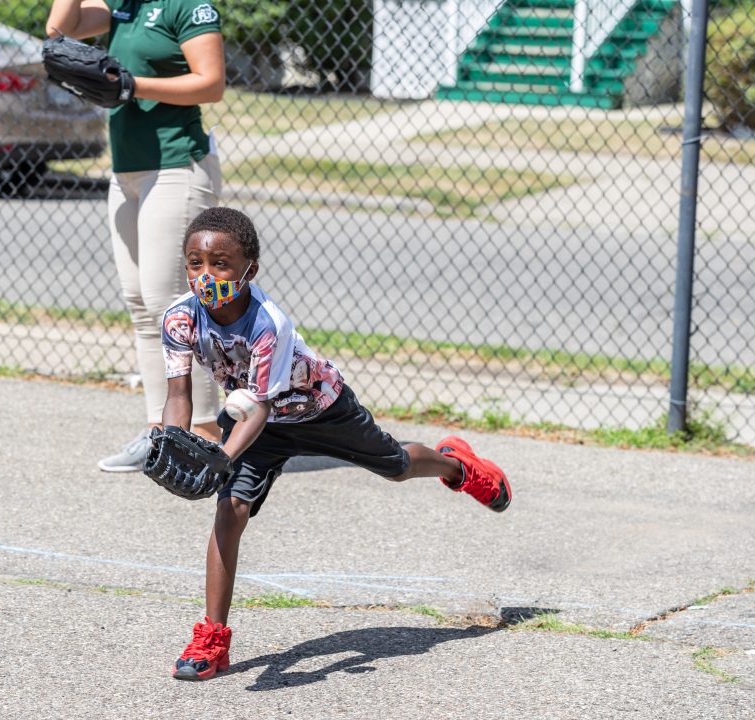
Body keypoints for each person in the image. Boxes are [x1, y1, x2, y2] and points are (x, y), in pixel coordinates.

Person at [160, 207, 513, 680]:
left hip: (319, 409)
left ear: (250, 269)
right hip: (257, 424)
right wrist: (174, 443)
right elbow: (177, 397)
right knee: (230, 510)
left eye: (221, 263)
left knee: (396, 467)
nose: (206, 275)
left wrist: (221, 457)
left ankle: (458, 466)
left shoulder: (268, 324)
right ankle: (212, 639)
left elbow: (263, 404)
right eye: (195, 262)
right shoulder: (180, 318)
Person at [46, 0, 226, 471]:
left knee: (174, 307)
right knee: (143, 306)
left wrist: (131, 85)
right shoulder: (124, 5)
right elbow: (58, 30)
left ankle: (204, 432)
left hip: (175, 167)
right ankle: (160, 431)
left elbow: (211, 83)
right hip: (127, 171)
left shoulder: (186, 6)